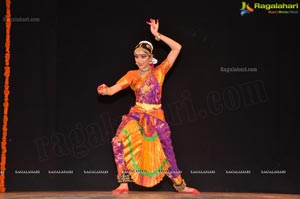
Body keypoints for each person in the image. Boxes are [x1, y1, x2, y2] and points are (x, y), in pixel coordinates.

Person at [97, 18, 200, 194]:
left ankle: (180, 186)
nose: (139, 60)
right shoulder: (131, 75)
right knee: (118, 141)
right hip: (137, 115)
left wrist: (157, 35)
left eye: (143, 56)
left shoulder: (160, 71)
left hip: (156, 116)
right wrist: (105, 90)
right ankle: (123, 183)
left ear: (151, 57)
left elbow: (177, 48)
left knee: (167, 150)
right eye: (136, 56)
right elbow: (114, 90)